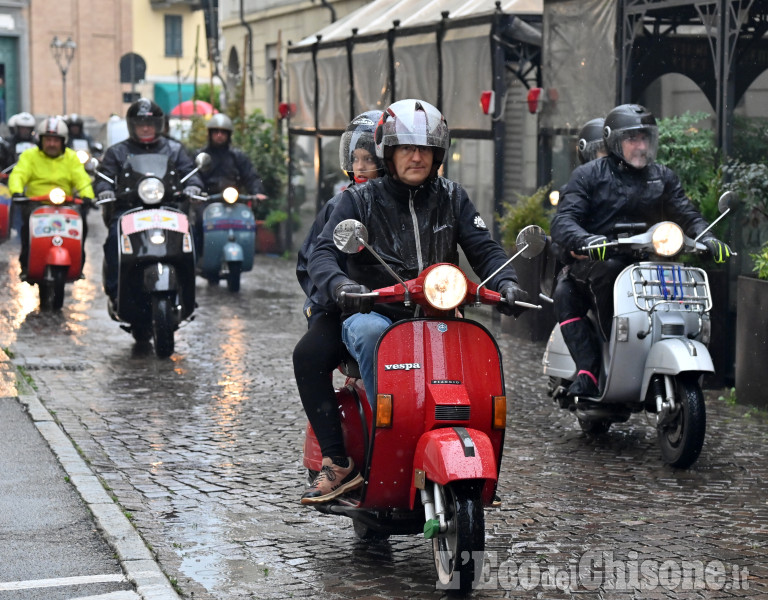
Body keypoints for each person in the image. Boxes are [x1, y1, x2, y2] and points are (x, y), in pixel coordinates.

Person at [306, 99, 528, 501]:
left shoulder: (453, 197)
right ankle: (383, 436)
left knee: (474, 351)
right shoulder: (358, 200)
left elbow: (485, 248)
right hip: (376, 310)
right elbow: (323, 252)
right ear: (388, 153)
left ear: (438, 154)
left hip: (440, 311)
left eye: (424, 148)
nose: (416, 156)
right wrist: (342, 286)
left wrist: (507, 280)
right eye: (406, 148)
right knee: (370, 332)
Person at [550, 103, 732, 398]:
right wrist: (586, 239)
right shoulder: (589, 175)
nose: (641, 145)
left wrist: (708, 238)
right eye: (633, 138)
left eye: (645, 138)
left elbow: (687, 214)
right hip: (601, 260)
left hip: (649, 261)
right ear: (614, 142)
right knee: (603, 273)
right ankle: (602, 358)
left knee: (680, 273)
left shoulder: (662, 176)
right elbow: (564, 219)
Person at [293, 110, 384, 505]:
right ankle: (337, 457)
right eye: (357, 159)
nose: (362, 167)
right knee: (308, 355)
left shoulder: (419, 201)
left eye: (371, 159)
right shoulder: (341, 203)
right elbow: (313, 260)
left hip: (407, 306)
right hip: (344, 308)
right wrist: (335, 294)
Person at [94, 98, 203, 306]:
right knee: (114, 239)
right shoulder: (117, 152)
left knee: (189, 238)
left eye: (150, 123)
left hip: (168, 207)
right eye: (140, 123)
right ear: (131, 126)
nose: (145, 128)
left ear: (158, 125)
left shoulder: (174, 149)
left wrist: (193, 185)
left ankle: (188, 292)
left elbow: (189, 171)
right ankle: (116, 291)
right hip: (129, 208)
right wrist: (104, 190)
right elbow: (104, 177)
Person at [8, 116, 94, 279]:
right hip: (36, 204)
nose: (52, 144)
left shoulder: (71, 157)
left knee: (82, 227)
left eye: (56, 140)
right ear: (40, 140)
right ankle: (26, 264)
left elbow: (81, 178)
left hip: (66, 205)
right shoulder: (29, 156)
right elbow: (19, 174)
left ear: (63, 141)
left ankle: (78, 263)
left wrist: (87, 196)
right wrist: (17, 191)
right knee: (26, 231)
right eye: (48, 140)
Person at [192, 113, 266, 256]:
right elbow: (194, 176)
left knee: (247, 222)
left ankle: (247, 251)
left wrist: (257, 191)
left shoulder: (237, 156)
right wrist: (196, 191)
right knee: (200, 222)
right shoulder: (201, 155)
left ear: (229, 135)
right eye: (216, 132)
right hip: (207, 200)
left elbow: (251, 175)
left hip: (233, 200)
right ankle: (200, 256)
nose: (219, 135)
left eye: (223, 132)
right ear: (210, 134)